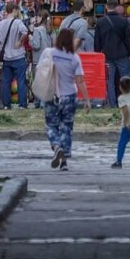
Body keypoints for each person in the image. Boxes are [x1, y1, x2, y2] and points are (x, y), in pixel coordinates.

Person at [40, 28, 91, 171]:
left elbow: (41, 71)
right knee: (66, 128)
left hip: (52, 95)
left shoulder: (48, 53)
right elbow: (80, 81)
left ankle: (56, 147)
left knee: (51, 125)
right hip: (70, 96)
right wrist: (87, 100)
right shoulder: (74, 58)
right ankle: (64, 162)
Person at [94, 0, 130, 107]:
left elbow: (97, 40)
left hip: (107, 55)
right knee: (125, 79)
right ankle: (126, 103)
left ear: (106, 7)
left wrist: (98, 54)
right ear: (117, 7)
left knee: (109, 81)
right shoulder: (123, 21)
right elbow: (128, 39)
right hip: (121, 54)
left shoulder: (101, 22)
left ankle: (112, 104)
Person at [0, 2, 30, 109]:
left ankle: (6, 104)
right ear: (14, 10)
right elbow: (25, 31)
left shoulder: (0, 24)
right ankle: (22, 105)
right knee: (21, 80)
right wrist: (20, 42)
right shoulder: (18, 22)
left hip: (6, 57)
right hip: (18, 56)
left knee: (6, 81)